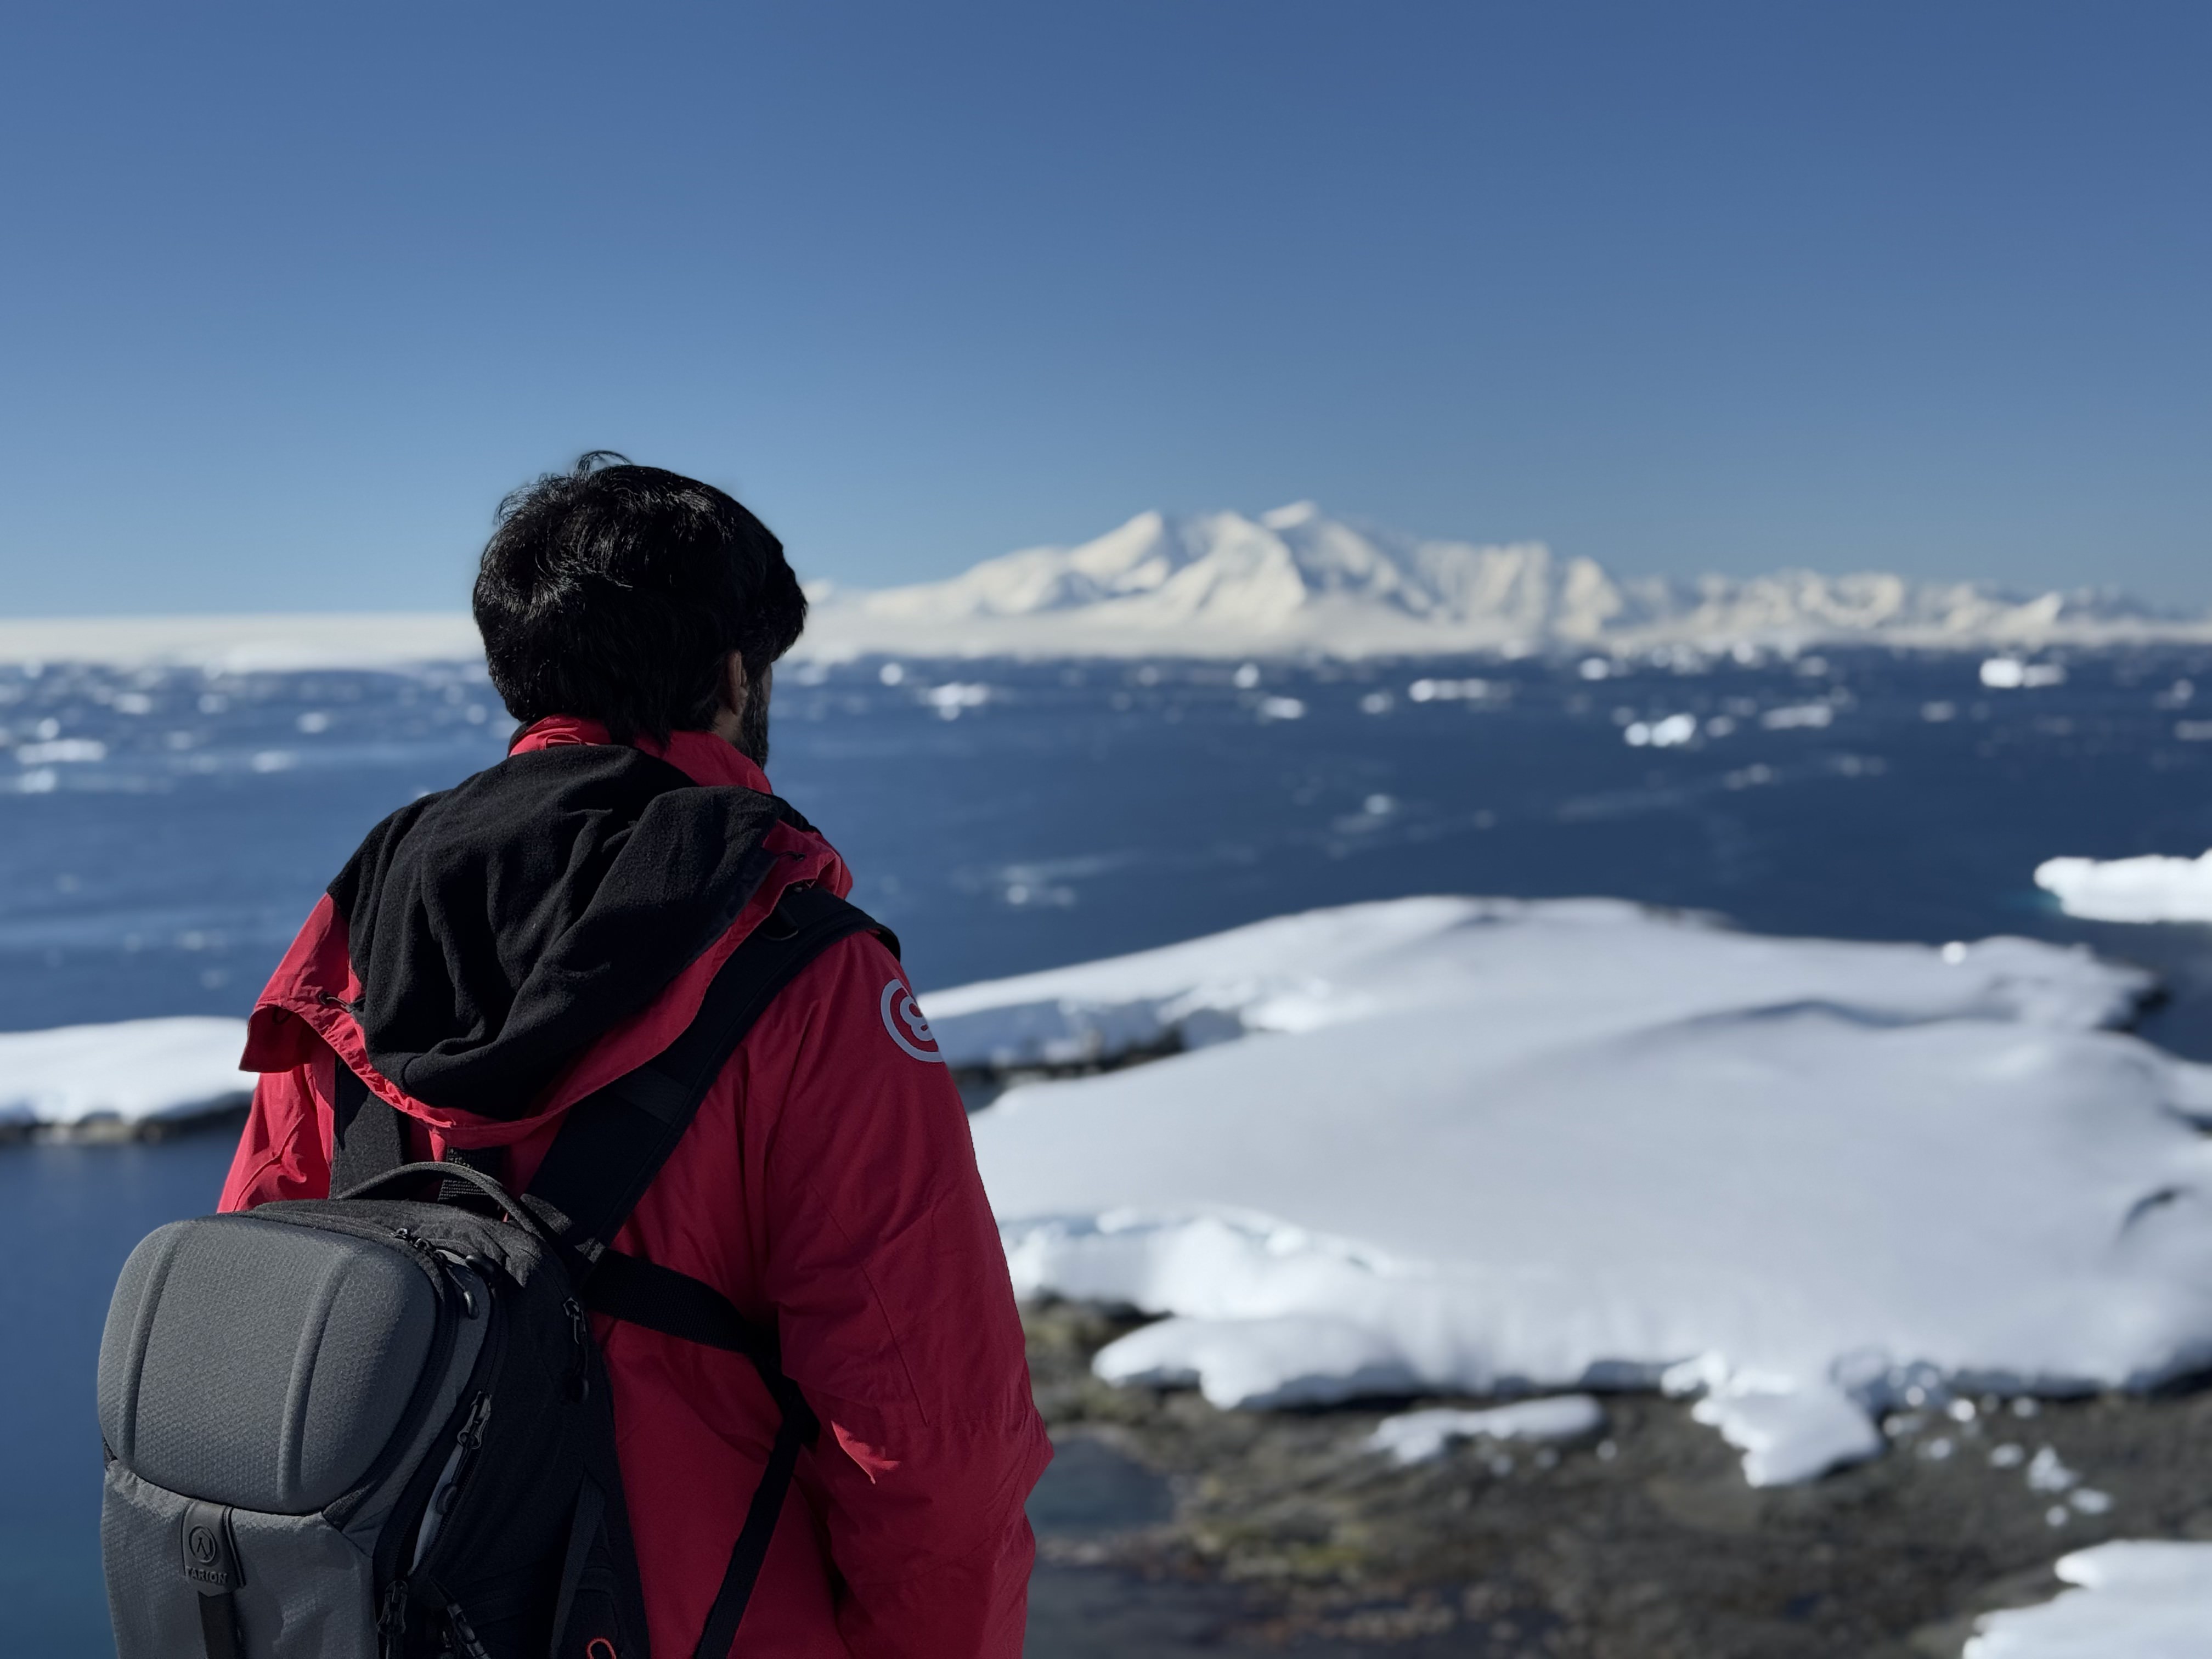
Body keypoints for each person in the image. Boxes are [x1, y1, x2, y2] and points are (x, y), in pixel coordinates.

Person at [217, 453, 1051, 1658]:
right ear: (735, 674)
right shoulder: (804, 967)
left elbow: (260, 1333)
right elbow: (931, 1445)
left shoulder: (359, 935)